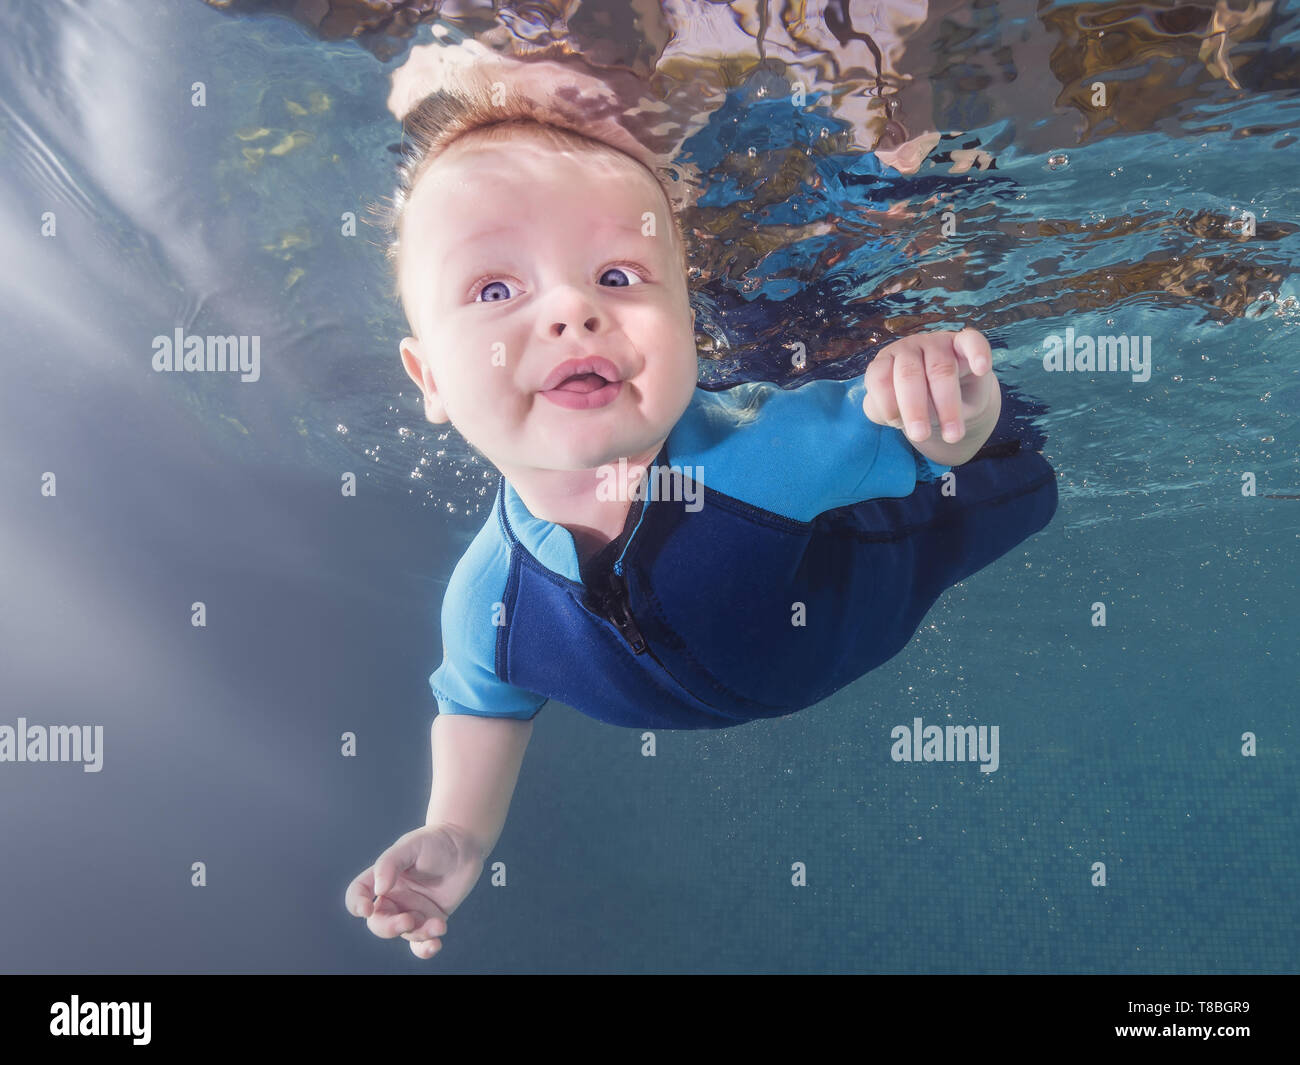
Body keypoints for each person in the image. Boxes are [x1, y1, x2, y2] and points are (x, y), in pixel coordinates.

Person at [345, 60, 1057, 959]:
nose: (572, 309)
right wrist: (456, 835)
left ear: (685, 320)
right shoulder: (487, 596)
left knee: (1019, 468)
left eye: (618, 274)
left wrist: (946, 392)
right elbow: (482, 706)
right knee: (799, 317)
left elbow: (940, 441)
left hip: (934, 514)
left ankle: (893, 161)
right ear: (430, 378)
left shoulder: (762, 453)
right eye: (496, 290)